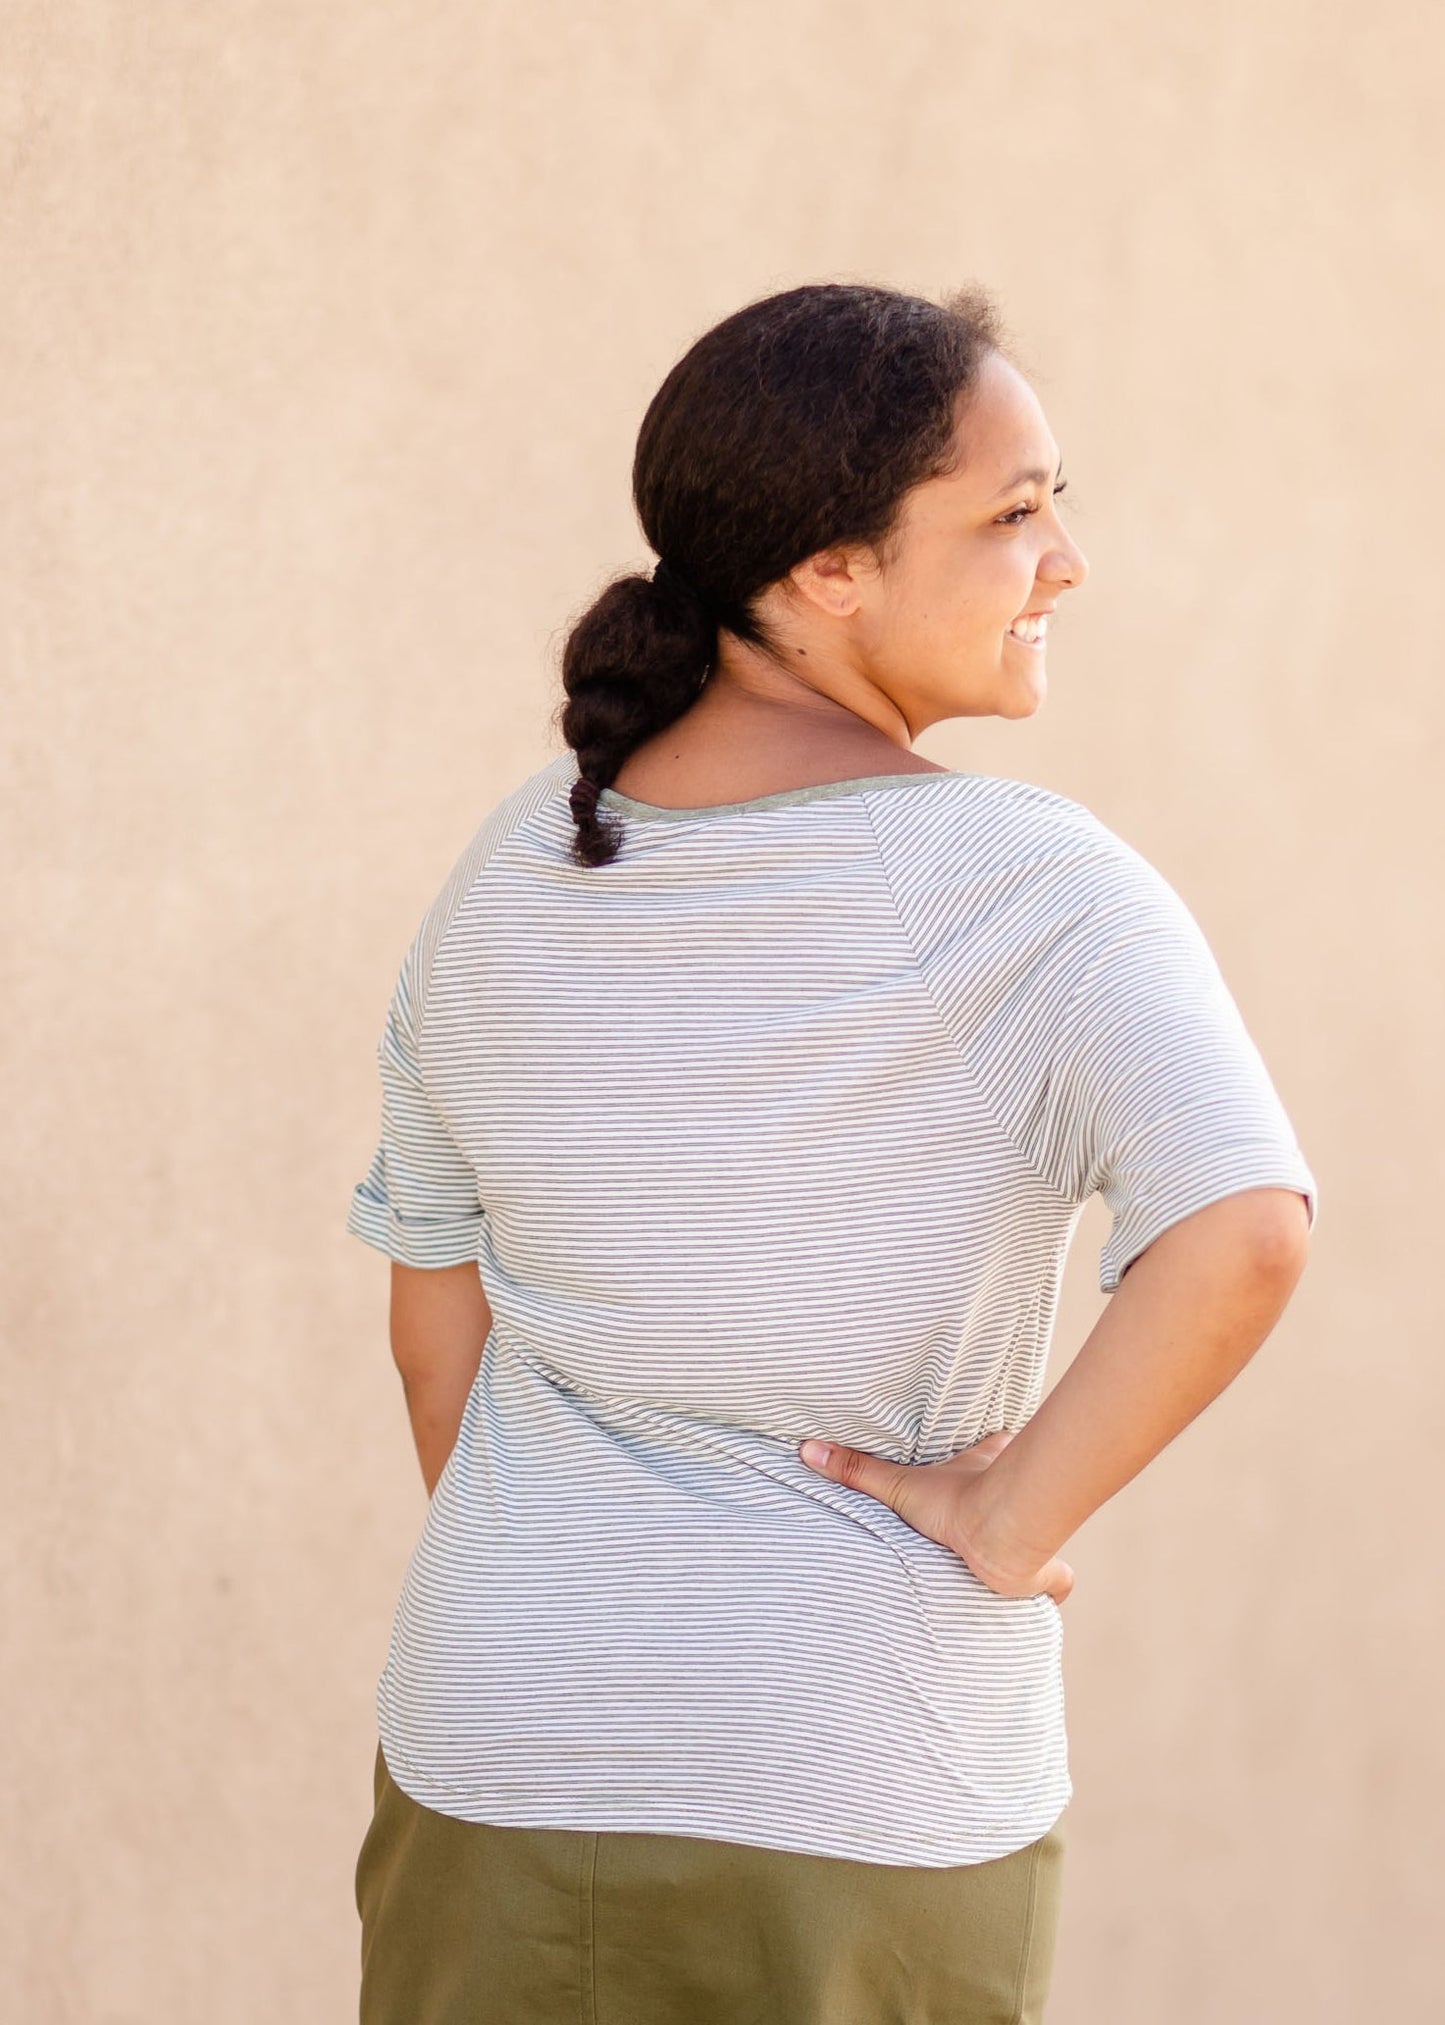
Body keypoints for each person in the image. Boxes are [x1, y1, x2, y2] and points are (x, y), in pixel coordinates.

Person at [344, 281, 1318, 2024]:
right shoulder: (1025, 883)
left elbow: (439, 1332)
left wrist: (590, 1617)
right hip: (858, 1770)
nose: (1066, 562)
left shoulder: (505, 872)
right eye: (1012, 514)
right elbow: (1242, 1228)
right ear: (824, 573)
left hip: (501, 1749)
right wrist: (1011, 1522)